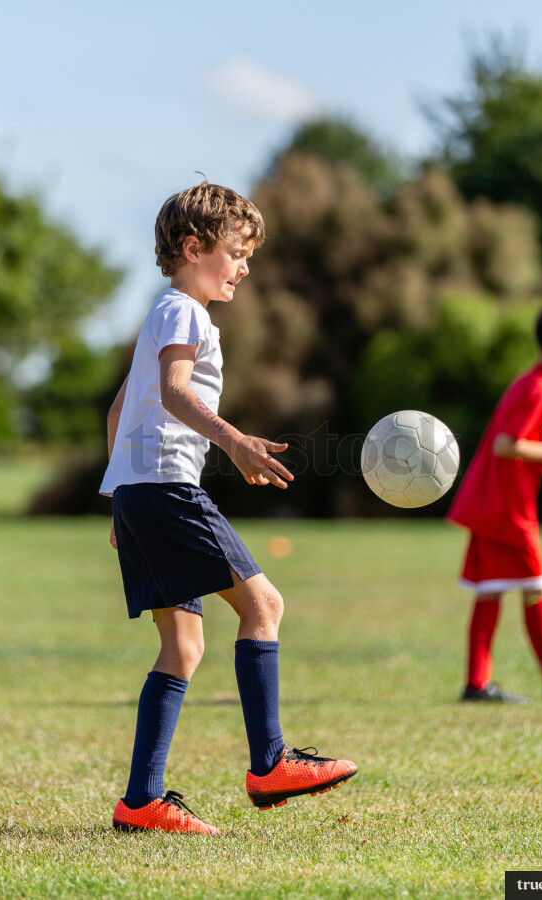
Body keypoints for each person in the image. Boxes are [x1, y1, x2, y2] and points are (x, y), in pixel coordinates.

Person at [100, 182, 357, 834]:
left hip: (138, 492)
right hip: (165, 488)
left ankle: (141, 802)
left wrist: (118, 504)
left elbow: (118, 412)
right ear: (194, 247)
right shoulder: (185, 312)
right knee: (264, 605)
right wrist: (235, 440)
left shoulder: (158, 315)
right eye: (238, 252)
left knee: (183, 647)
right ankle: (269, 763)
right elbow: (175, 393)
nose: (245, 267)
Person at [446, 301, 542, 703]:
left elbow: (521, 451)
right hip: (506, 510)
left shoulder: (538, 385)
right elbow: (506, 445)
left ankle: (478, 683)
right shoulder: (539, 389)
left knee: (491, 590)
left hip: (495, 504)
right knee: (537, 588)